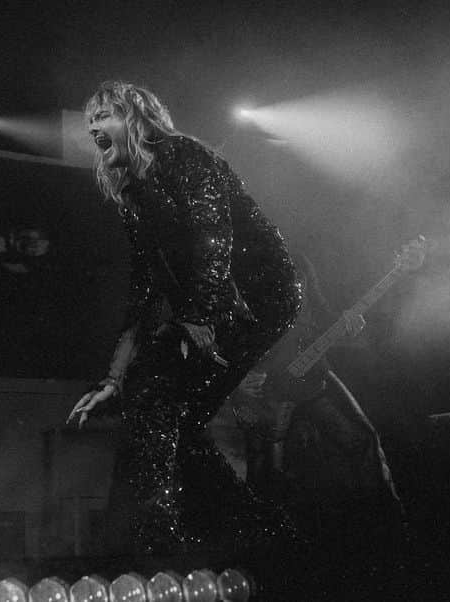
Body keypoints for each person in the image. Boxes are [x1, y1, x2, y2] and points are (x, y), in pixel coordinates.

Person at [68, 80, 302, 556]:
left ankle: (161, 542)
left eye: (104, 114)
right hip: (213, 301)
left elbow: (212, 237)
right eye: (89, 117)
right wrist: (113, 376)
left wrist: (201, 316)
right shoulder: (134, 191)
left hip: (260, 295)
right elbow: (145, 285)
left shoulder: (185, 157)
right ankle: (260, 532)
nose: (92, 124)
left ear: (136, 118)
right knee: (167, 413)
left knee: (157, 401)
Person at [229, 252, 404, 539]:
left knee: (362, 440)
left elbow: (322, 314)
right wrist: (238, 378)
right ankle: (264, 543)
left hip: (311, 376)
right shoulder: (251, 269)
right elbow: (233, 331)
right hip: (267, 389)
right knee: (267, 474)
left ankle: (390, 528)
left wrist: (347, 323)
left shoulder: (298, 262)